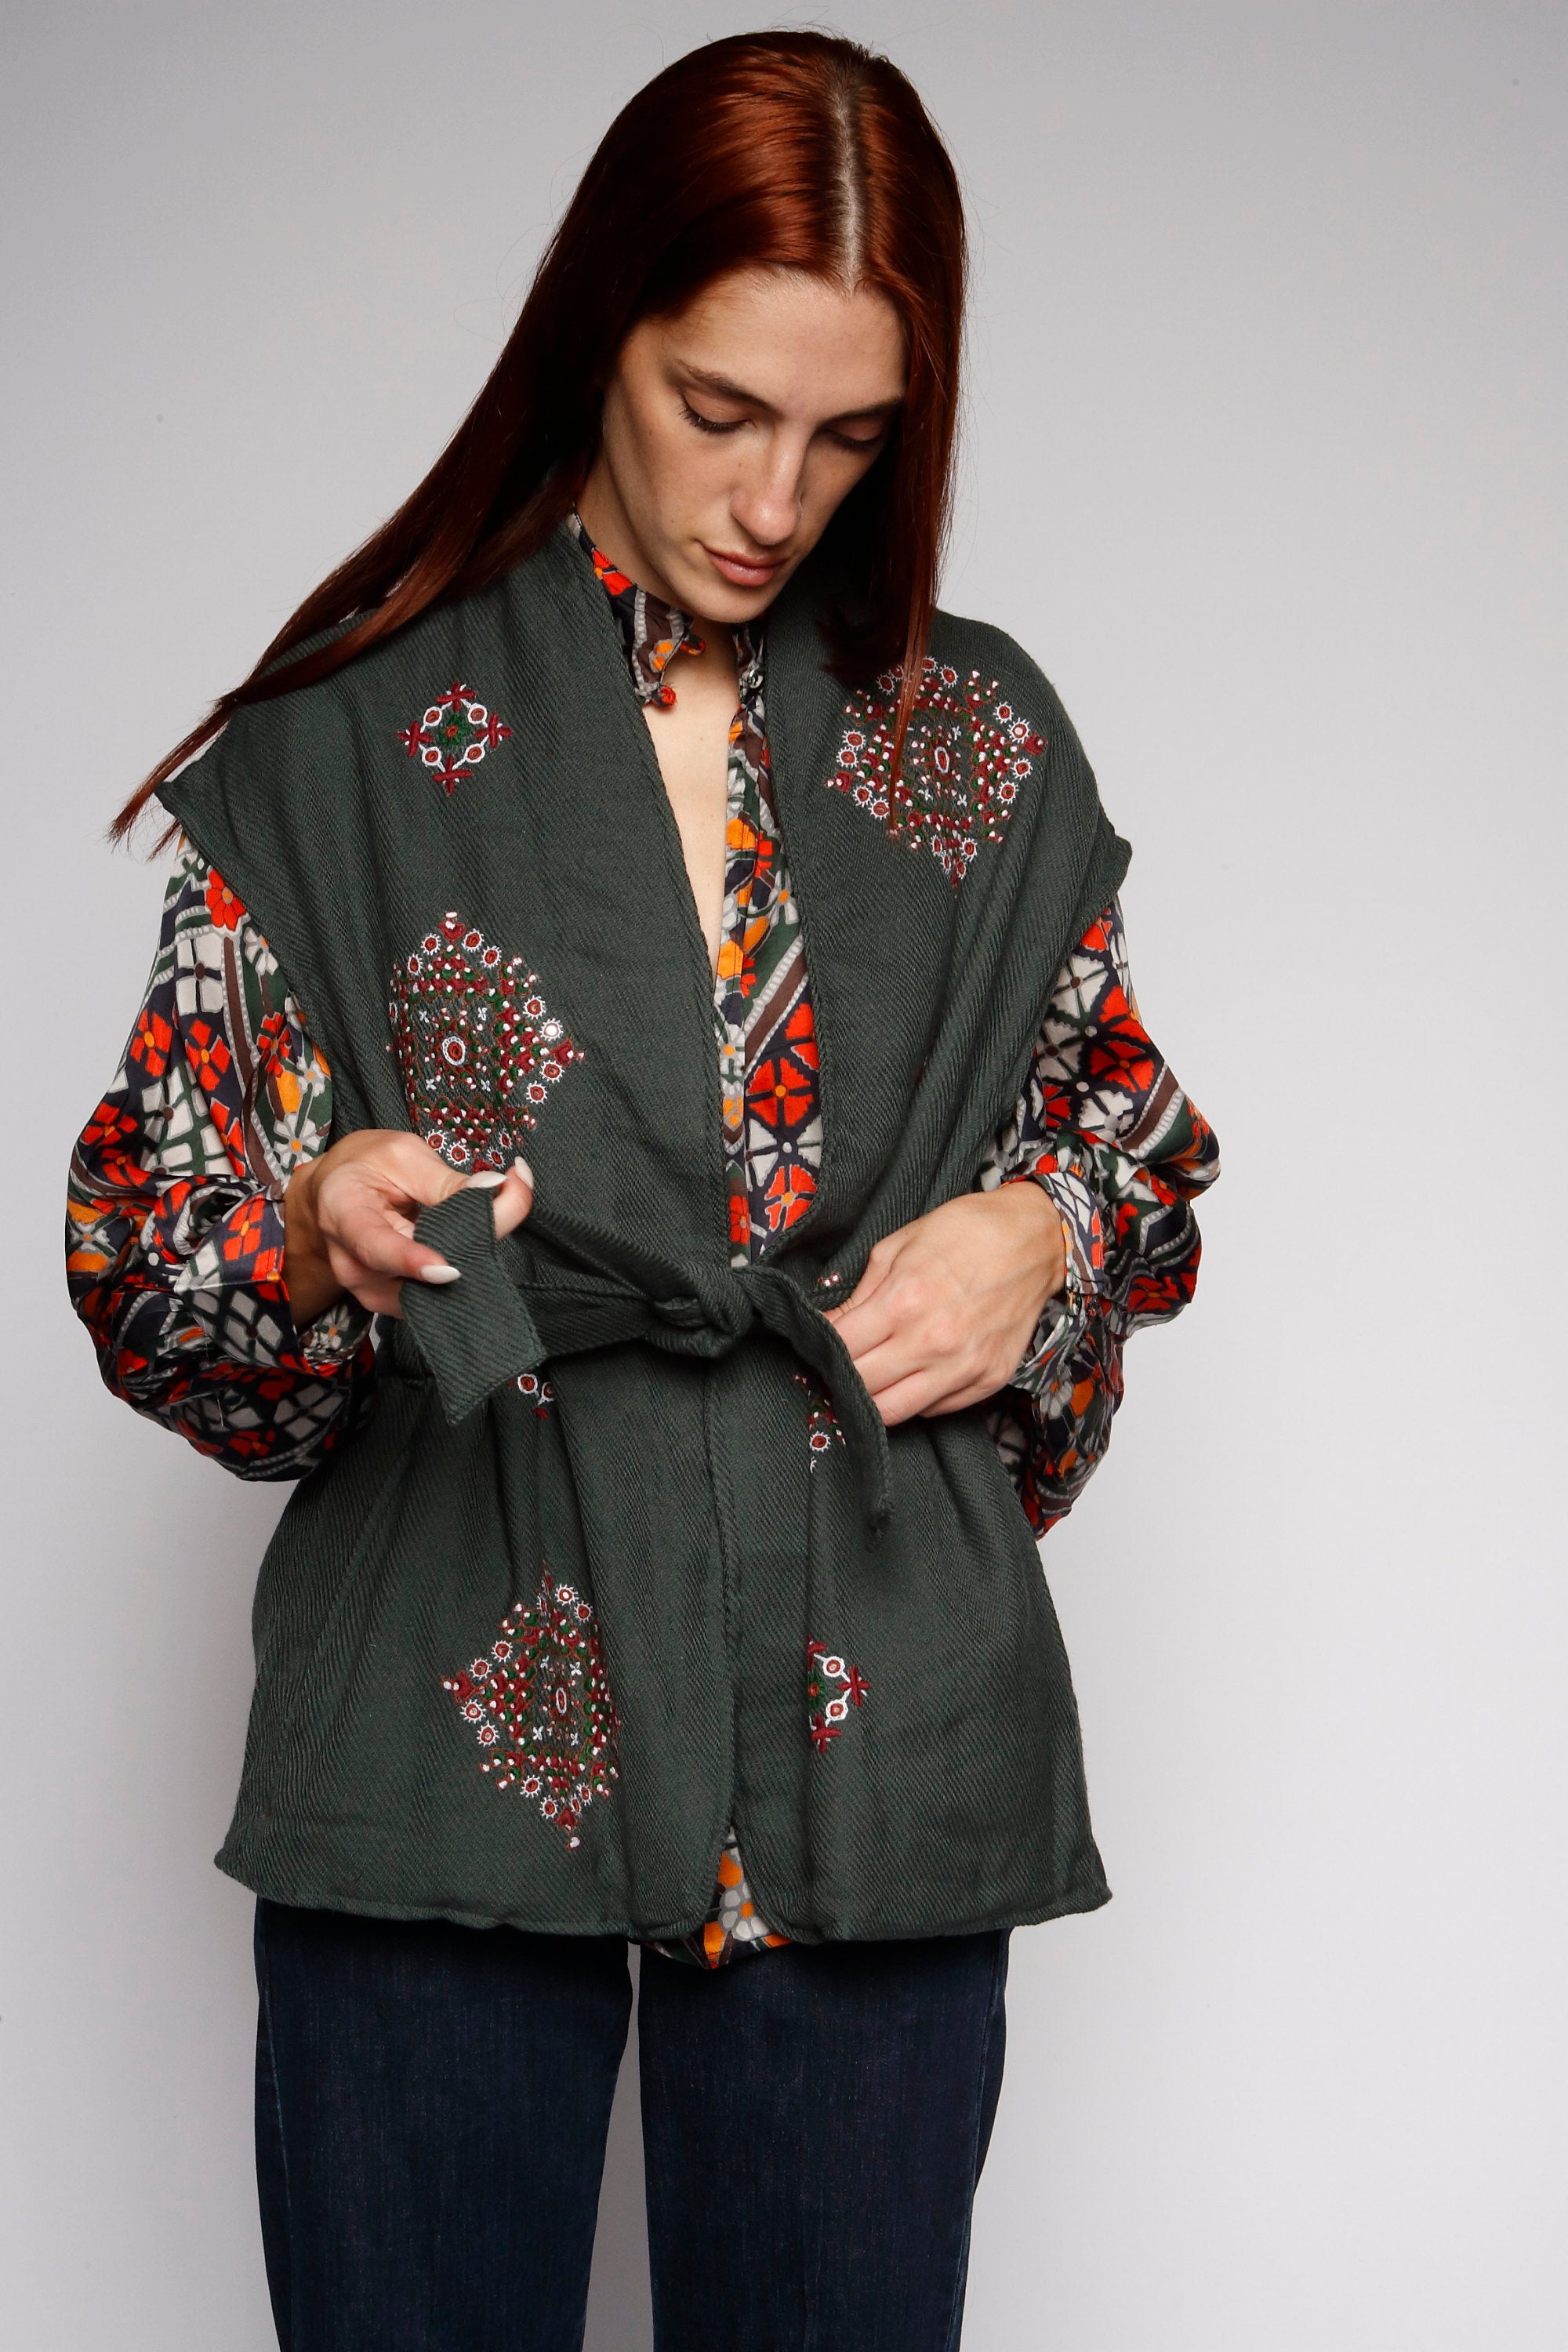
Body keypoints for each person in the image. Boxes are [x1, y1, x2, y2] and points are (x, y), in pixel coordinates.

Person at [68, 30, 1218, 2352]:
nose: (777, 499)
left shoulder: (977, 737)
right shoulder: (348, 738)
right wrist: (318, 1228)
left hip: (872, 1701)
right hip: (456, 1661)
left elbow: (1126, 1144)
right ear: (601, 327)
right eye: (721, 408)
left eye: (853, 435)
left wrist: (1049, 1238)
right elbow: (153, 1271)